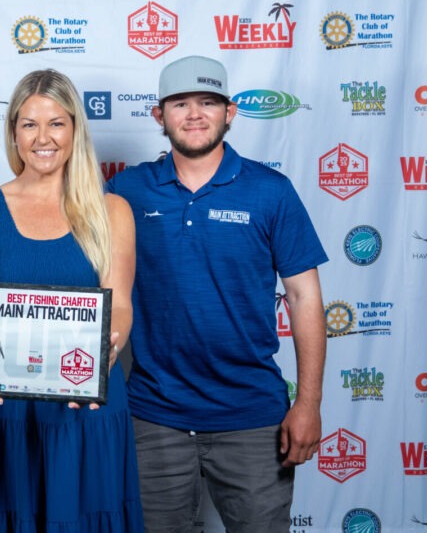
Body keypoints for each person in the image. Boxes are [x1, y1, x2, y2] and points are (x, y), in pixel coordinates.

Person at [106, 55, 328, 533]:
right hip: (154, 417)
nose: (194, 114)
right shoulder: (125, 191)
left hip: (252, 418)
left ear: (230, 112)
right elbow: (78, 271)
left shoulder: (271, 192)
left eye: (207, 102)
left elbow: (305, 299)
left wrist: (308, 404)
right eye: (180, 103)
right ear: (158, 115)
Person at [0, 69, 144, 531]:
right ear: (14, 132)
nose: (43, 137)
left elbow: (119, 304)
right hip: (6, 409)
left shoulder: (111, 210)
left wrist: (104, 353)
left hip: (86, 403)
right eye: (30, 124)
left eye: (57, 123)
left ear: (75, 129)